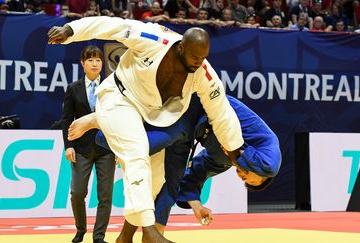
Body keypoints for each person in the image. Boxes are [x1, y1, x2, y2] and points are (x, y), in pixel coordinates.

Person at [47, 17, 244, 243]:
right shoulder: (154, 38)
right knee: (136, 151)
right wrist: (71, 30)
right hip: (119, 99)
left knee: (156, 175)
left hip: (153, 115)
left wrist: (235, 152)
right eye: (194, 57)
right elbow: (113, 26)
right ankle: (150, 231)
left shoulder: (204, 73)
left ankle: (125, 237)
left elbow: (221, 112)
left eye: (202, 58)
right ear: (181, 47)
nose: (198, 63)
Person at [68, 94, 282, 238]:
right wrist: (240, 154)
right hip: (197, 107)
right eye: (250, 174)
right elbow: (269, 166)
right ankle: (100, 119)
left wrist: (197, 206)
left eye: (242, 178)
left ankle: (153, 238)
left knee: (171, 185)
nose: (241, 174)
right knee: (156, 142)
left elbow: (196, 175)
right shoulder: (267, 144)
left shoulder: (226, 161)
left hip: (190, 133)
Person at [61, 45, 116, 243]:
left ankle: (99, 236)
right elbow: (67, 119)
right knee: (77, 193)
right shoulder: (73, 88)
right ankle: (80, 230)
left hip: (106, 149)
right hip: (81, 148)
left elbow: (117, 117)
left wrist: (118, 147)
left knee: (105, 196)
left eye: (98, 60)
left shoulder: (111, 87)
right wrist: (68, 145)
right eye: (90, 60)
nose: (95, 63)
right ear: (82, 63)